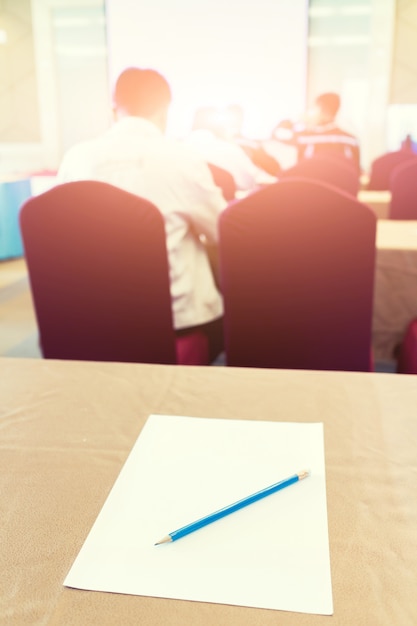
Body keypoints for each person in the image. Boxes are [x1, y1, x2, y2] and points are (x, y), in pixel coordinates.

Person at [57, 67, 226, 362]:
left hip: (90, 321)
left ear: (114, 109)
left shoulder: (76, 158)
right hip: (175, 324)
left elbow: (58, 238)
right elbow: (222, 231)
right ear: (165, 109)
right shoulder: (183, 158)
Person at [272, 92, 360, 170]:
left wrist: (292, 122)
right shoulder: (351, 140)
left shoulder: (304, 138)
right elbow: (357, 169)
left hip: (311, 186)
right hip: (341, 187)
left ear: (320, 109)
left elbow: (276, 135)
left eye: (313, 108)